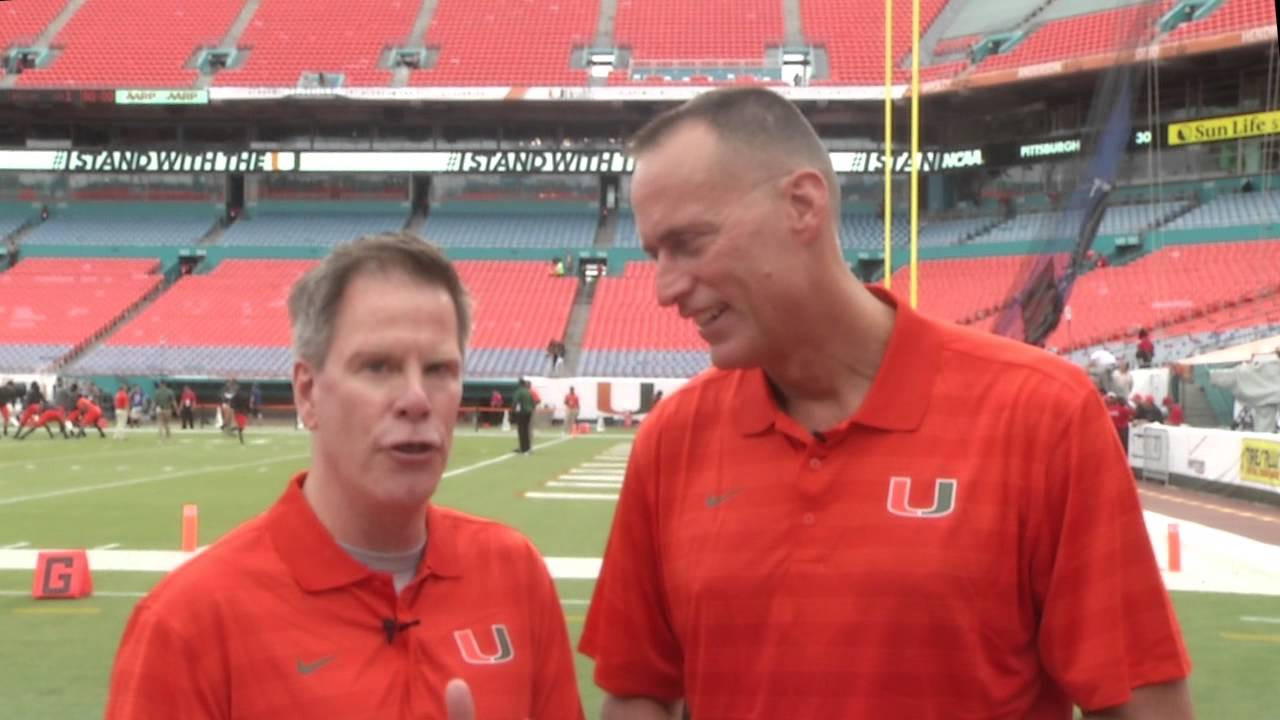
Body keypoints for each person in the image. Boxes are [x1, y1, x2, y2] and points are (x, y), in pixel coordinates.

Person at [578, 87, 1192, 719]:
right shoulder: (673, 437)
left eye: (690, 242)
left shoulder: (1040, 414)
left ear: (802, 204)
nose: (665, 288)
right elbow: (638, 692)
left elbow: (1141, 700)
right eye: (655, 254)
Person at [105, 232, 582, 720]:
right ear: (308, 393)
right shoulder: (188, 624)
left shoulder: (515, 577)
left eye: (440, 369)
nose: (417, 399)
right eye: (378, 366)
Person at [511, 378, 534, 454]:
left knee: (521, 430)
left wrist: (513, 412)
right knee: (526, 430)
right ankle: (527, 448)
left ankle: (522, 448)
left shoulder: (519, 391)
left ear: (519, 384)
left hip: (522, 412)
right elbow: (532, 403)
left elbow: (515, 402)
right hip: (529, 412)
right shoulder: (528, 391)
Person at [229, 380, 252, 445]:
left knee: (241, 426)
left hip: (238, 411)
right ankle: (241, 439)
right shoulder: (247, 395)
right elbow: (247, 404)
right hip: (242, 411)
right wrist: (249, 411)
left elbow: (232, 401)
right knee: (241, 426)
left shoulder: (237, 393)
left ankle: (232, 430)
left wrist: (233, 407)